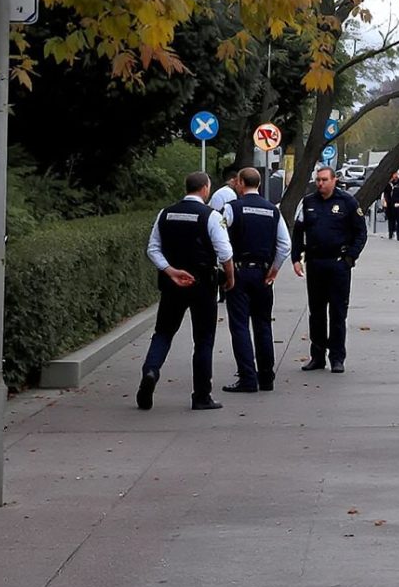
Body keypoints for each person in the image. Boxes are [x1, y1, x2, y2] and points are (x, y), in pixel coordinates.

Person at [139, 172, 234, 411]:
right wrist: (230, 278)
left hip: (172, 284)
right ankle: (201, 396)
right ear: (205, 189)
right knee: (203, 340)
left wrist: (170, 270)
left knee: (163, 333)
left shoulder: (165, 213)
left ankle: (151, 371)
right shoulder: (211, 216)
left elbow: (153, 248)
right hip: (203, 284)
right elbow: (225, 253)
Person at [218, 167, 290, 393]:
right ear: (258, 184)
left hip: (238, 273)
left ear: (240, 182)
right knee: (263, 324)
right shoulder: (273, 211)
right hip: (262, 274)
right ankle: (266, 377)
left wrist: (226, 270)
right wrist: (274, 270)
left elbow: (220, 240)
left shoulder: (231, 208)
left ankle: (247, 377)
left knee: (240, 325)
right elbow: (285, 245)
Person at [293, 165, 368, 372]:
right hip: (315, 263)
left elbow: (361, 232)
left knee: (337, 313)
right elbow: (298, 232)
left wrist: (351, 256)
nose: (321, 184)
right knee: (316, 313)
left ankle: (337, 358)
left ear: (334, 180)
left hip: (338, 265)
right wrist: (295, 257)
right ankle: (317, 357)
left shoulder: (347, 202)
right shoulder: (308, 202)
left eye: (325, 180)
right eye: (318, 180)